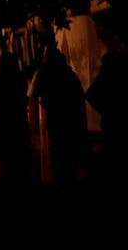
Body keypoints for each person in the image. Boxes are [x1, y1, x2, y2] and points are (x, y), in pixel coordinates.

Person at [33, 48, 87, 185]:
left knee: (59, 153)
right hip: (69, 120)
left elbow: (35, 91)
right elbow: (80, 96)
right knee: (66, 154)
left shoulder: (47, 74)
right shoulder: (68, 75)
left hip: (58, 120)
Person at [0, 53, 32, 186]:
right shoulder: (19, 78)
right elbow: (32, 68)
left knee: (6, 160)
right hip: (19, 124)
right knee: (21, 158)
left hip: (4, 126)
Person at [86, 51, 128, 186]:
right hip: (114, 125)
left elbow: (91, 94)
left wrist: (104, 109)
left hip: (110, 125)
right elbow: (91, 95)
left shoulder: (107, 76)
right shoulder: (116, 76)